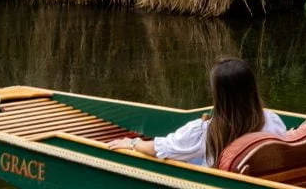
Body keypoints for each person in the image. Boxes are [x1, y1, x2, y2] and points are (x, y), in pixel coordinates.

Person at [115, 56, 286, 168]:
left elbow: (158, 149)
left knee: (179, 156)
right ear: (252, 89)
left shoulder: (204, 131)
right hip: (255, 183)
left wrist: (132, 143)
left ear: (219, 95)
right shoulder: (273, 122)